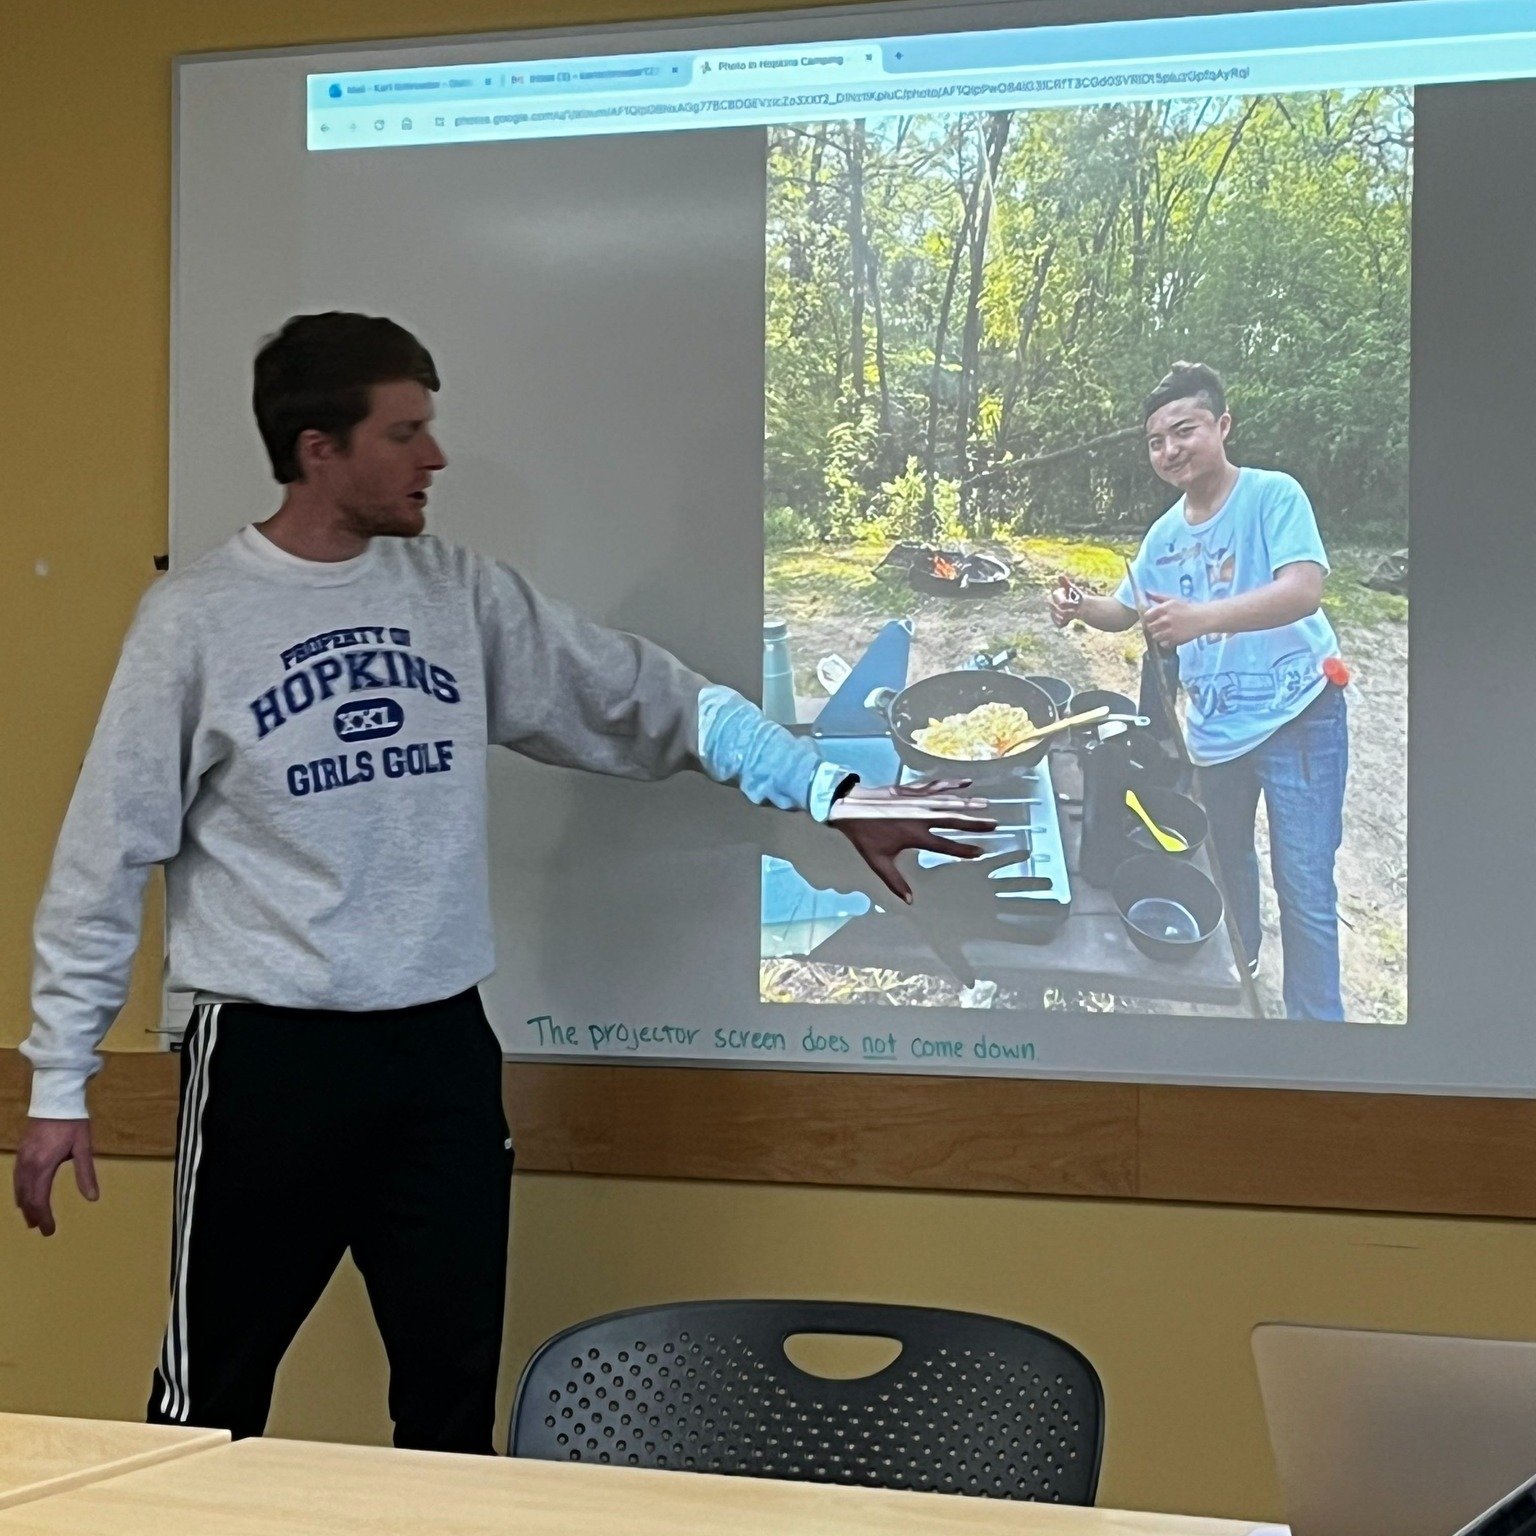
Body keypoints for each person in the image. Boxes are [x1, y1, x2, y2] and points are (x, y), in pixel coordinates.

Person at [12, 312, 994, 1451]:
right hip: (268, 1060)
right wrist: (56, 1082)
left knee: (452, 1409)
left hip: (437, 1055)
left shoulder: (459, 596)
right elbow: (102, 857)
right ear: (319, 448)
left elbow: (655, 699)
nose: (435, 457)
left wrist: (828, 791)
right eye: (406, 431)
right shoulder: (193, 621)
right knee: (207, 1409)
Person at [1049, 361, 1348, 1020]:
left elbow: (1303, 589)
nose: (1169, 450)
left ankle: (1319, 1036)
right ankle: (1238, 971)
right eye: (1156, 441)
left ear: (1222, 425)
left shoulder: (1273, 496)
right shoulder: (1163, 536)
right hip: (1214, 733)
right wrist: (1079, 606)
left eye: (1183, 431)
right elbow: (1125, 612)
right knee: (1228, 863)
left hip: (1299, 714)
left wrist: (1200, 619)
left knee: (1303, 885)